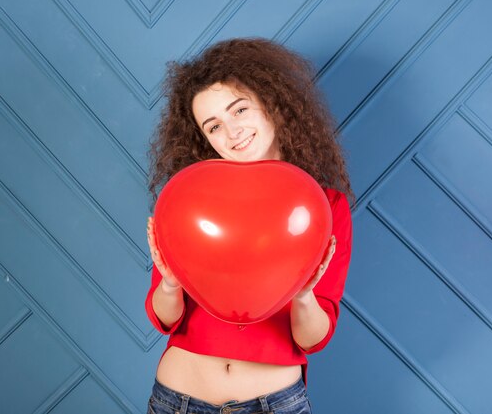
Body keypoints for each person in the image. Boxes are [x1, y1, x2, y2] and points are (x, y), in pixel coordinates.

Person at [145, 38, 353, 414]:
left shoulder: (325, 207)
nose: (232, 131)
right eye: (214, 126)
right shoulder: (190, 201)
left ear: (271, 105)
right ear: (204, 139)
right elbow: (165, 318)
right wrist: (169, 284)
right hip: (178, 401)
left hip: (275, 404)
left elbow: (313, 339)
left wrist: (303, 296)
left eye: (239, 109)